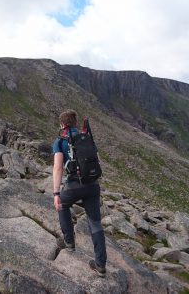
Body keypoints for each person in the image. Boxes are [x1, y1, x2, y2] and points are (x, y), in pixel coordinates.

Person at [52, 109, 107, 277]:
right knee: (96, 224)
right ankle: (101, 265)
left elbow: (58, 167)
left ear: (62, 124)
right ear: (75, 123)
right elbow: (97, 161)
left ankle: (69, 242)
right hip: (92, 186)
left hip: (74, 186)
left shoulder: (60, 141)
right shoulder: (87, 137)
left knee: (62, 204)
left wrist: (56, 193)